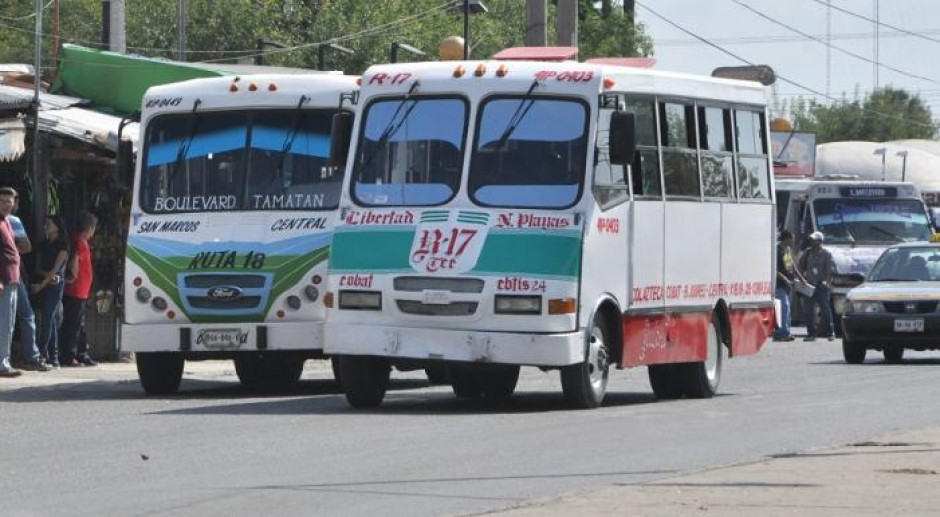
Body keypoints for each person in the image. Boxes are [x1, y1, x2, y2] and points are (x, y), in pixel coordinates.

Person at [7, 198, 50, 372]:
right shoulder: (12, 221)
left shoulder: (10, 221)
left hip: (12, 273)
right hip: (10, 274)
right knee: (22, 316)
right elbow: (26, 246)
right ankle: (29, 357)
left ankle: (26, 356)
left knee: (18, 316)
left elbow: (27, 247)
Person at [60, 211, 98, 367]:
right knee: (73, 324)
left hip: (81, 290)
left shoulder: (80, 241)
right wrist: (74, 277)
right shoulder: (80, 241)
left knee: (80, 324)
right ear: (89, 228)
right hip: (76, 289)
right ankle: (69, 355)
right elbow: (75, 260)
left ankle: (82, 353)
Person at [31, 216, 69, 368]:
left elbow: (57, 268)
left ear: (57, 227)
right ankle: (54, 357)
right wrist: (47, 278)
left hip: (54, 285)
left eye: (49, 224)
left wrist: (41, 285)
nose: (46, 226)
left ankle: (42, 352)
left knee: (48, 316)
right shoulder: (43, 244)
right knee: (50, 319)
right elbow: (38, 268)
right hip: (48, 280)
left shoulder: (63, 244)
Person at [0, 187, 23, 377]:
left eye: (10, 201)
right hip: (4, 280)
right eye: (3, 200)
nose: (7, 204)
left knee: (9, 323)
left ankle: (4, 361)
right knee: (4, 323)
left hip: (13, 278)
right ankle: (2, 364)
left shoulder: (8, 221)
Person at [799, 231, 836, 342]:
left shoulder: (826, 254)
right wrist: (802, 278)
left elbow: (830, 271)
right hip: (809, 285)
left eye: (814, 240)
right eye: (811, 239)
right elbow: (800, 266)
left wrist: (827, 282)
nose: (811, 241)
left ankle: (830, 332)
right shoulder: (807, 253)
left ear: (820, 241)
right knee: (808, 310)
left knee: (825, 309)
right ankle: (811, 334)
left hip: (821, 285)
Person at [772, 229, 803, 342]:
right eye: (791, 238)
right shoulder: (777, 250)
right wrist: (785, 279)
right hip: (780, 283)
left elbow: (792, 266)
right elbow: (775, 269)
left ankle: (786, 332)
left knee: (787, 308)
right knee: (783, 307)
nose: (793, 241)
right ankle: (781, 333)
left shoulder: (787, 250)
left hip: (789, 284)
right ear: (786, 238)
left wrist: (801, 279)